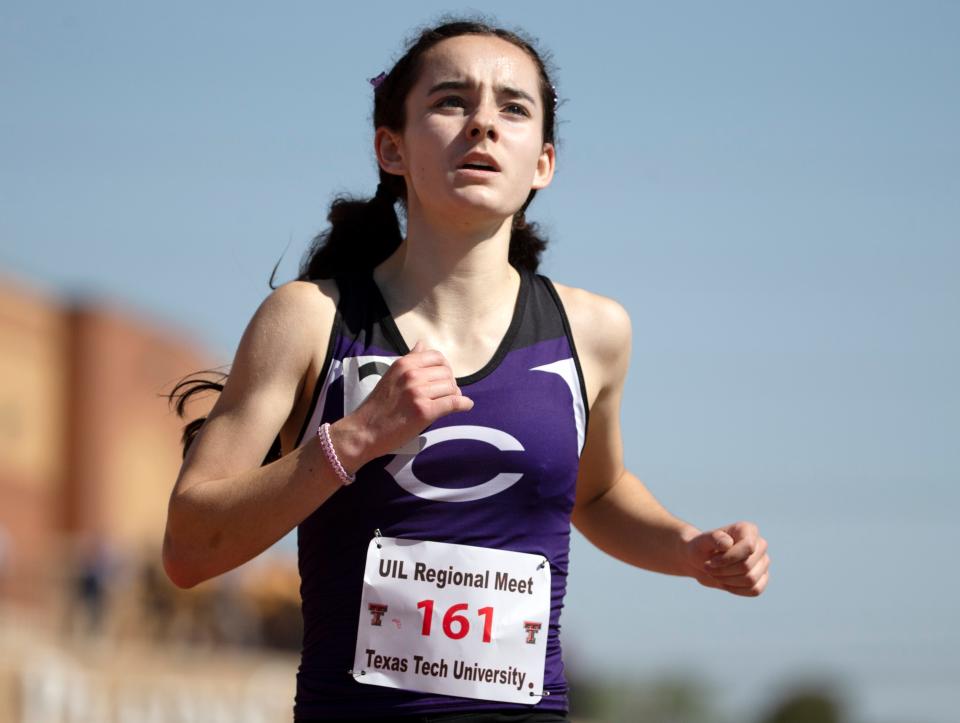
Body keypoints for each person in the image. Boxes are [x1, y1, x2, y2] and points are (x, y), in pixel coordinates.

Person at [162, 16, 770, 723]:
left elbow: (597, 496)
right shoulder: (309, 318)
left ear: (543, 162)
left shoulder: (594, 331)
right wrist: (354, 438)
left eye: (513, 108)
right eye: (451, 101)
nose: (484, 123)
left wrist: (689, 547)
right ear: (392, 147)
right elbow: (188, 548)